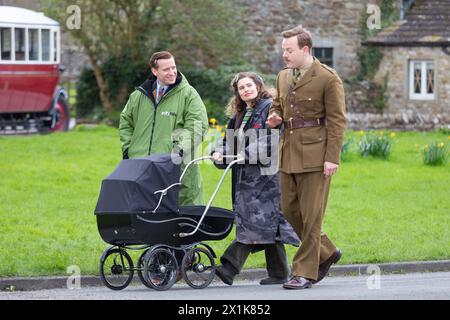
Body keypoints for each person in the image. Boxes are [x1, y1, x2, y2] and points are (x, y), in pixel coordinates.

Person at [266, 25, 346, 289]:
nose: (285, 55)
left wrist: (332, 157)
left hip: (316, 154)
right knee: (290, 211)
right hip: (288, 152)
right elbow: (278, 105)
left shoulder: (328, 78)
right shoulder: (282, 76)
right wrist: (274, 117)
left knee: (312, 216)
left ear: (305, 49)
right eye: (283, 50)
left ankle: (304, 272)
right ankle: (328, 251)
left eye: (289, 50)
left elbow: (337, 121)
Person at [212, 72, 299, 286]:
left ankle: (228, 268)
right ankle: (279, 273)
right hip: (245, 178)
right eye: (241, 88)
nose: (246, 90)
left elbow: (270, 138)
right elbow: (229, 142)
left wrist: (246, 154)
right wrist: (218, 153)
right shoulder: (239, 115)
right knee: (268, 224)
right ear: (238, 94)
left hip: (267, 179)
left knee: (255, 221)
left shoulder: (270, 108)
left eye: (249, 85)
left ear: (259, 86)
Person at [119, 51, 208, 206]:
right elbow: (125, 121)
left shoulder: (189, 94)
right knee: (144, 214)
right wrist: (128, 149)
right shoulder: (138, 96)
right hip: (141, 167)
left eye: (173, 67)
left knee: (181, 219)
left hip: (175, 167)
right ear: (155, 71)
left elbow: (198, 125)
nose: (172, 72)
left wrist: (179, 151)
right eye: (166, 69)